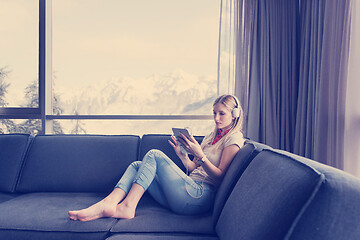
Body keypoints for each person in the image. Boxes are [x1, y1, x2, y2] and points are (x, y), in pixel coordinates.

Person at [68, 94, 245, 221]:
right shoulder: (211, 136)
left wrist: (200, 155)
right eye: (214, 113)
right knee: (138, 165)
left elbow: (221, 177)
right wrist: (183, 157)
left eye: (221, 113)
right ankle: (109, 202)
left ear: (234, 114)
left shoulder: (234, 139)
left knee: (153, 154)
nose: (216, 118)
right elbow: (194, 169)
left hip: (199, 197)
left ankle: (128, 207)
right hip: (185, 191)